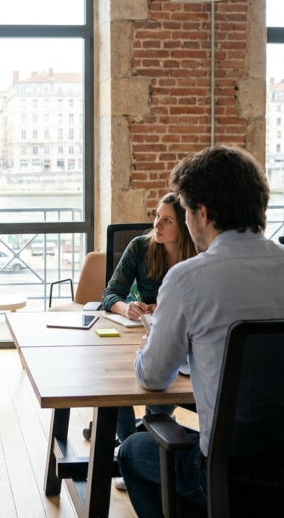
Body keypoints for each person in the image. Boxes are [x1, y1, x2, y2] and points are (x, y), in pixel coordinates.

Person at [117, 147, 284, 516]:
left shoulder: (187, 278)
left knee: (131, 451)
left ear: (204, 213)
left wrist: (149, 345)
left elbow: (154, 378)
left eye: (186, 211)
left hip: (235, 476)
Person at [100, 194, 198, 490]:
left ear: (184, 225)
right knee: (115, 381)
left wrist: (165, 308)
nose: (156, 224)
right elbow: (110, 295)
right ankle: (129, 446)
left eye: (167, 220)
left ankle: (148, 443)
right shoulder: (140, 247)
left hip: (176, 333)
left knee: (166, 379)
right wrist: (126, 308)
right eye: (156, 216)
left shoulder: (198, 256)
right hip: (136, 330)